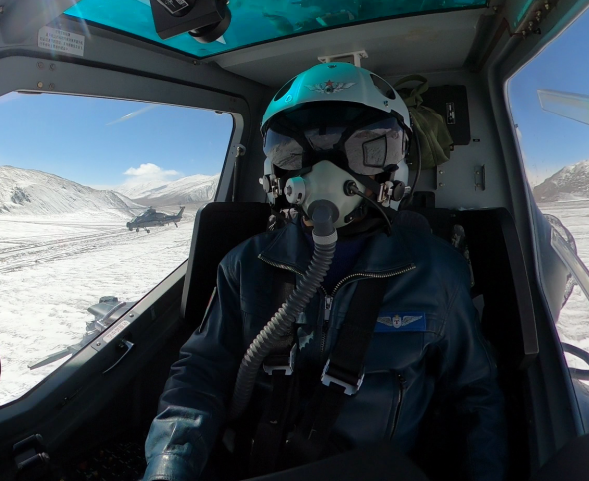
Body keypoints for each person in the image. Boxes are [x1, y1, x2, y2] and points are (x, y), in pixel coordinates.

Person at [142, 63, 508, 481]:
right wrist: (169, 470)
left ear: (396, 167)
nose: (325, 174)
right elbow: (199, 379)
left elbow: (475, 395)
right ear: (276, 174)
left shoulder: (435, 271)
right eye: (294, 153)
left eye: (366, 149)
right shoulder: (245, 266)